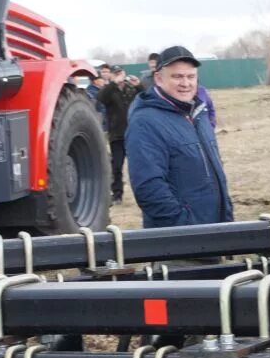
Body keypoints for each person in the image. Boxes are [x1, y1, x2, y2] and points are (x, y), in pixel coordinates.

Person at [125, 46, 234, 227]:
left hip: (215, 231)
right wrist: (185, 227)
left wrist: (226, 214)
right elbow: (148, 187)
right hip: (181, 240)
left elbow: (215, 169)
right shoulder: (145, 122)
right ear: (159, 78)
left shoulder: (198, 113)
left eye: (191, 77)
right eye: (177, 77)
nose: (186, 83)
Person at [96, 65, 140, 203]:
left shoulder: (130, 88)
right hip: (117, 134)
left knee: (139, 165)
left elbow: (145, 95)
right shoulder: (110, 90)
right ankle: (117, 194)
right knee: (117, 166)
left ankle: (141, 192)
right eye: (116, 73)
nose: (119, 75)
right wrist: (114, 83)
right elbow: (100, 98)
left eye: (120, 72)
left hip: (133, 133)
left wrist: (138, 85)